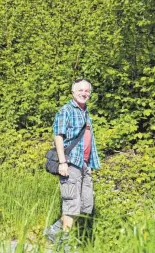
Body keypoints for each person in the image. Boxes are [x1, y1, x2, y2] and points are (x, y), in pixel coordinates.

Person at [45, 78, 101, 244]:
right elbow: (58, 136)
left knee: (85, 206)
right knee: (72, 205)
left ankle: (53, 232)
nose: (84, 93)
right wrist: (62, 162)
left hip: (85, 164)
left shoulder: (85, 112)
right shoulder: (66, 110)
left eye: (87, 91)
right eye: (80, 90)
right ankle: (66, 243)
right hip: (71, 163)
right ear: (73, 92)